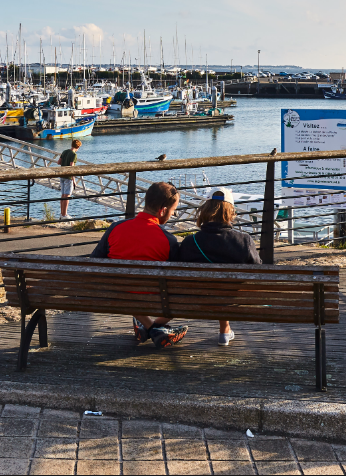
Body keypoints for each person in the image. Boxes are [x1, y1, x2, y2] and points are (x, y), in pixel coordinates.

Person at [89, 181, 188, 348]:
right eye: (173, 211)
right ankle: (156, 328)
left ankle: (148, 326)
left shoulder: (115, 228)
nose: (172, 214)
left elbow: (94, 263)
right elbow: (178, 278)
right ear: (163, 211)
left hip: (119, 296)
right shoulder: (169, 240)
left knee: (123, 287)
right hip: (157, 297)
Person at [178, 187, 260, 346]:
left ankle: (153, 325)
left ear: (205, 210)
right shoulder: (244, 241)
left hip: (196, 298)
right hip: (233, 299)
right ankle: (225, 331)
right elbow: (259, 271)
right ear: (231, 212)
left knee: (215, 287)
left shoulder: (189, 242)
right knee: (224, 288)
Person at [57, 139, 81, 219]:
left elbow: (59, 162)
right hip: (68, 177)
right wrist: (74, 180)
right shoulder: (74, 154)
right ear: (78, 146)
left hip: (62, 175)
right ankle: (65, 214)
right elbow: (71, 167)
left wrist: (64, 162)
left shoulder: (65, 151)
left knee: (63, 195)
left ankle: (61, 214)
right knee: (67, 195)